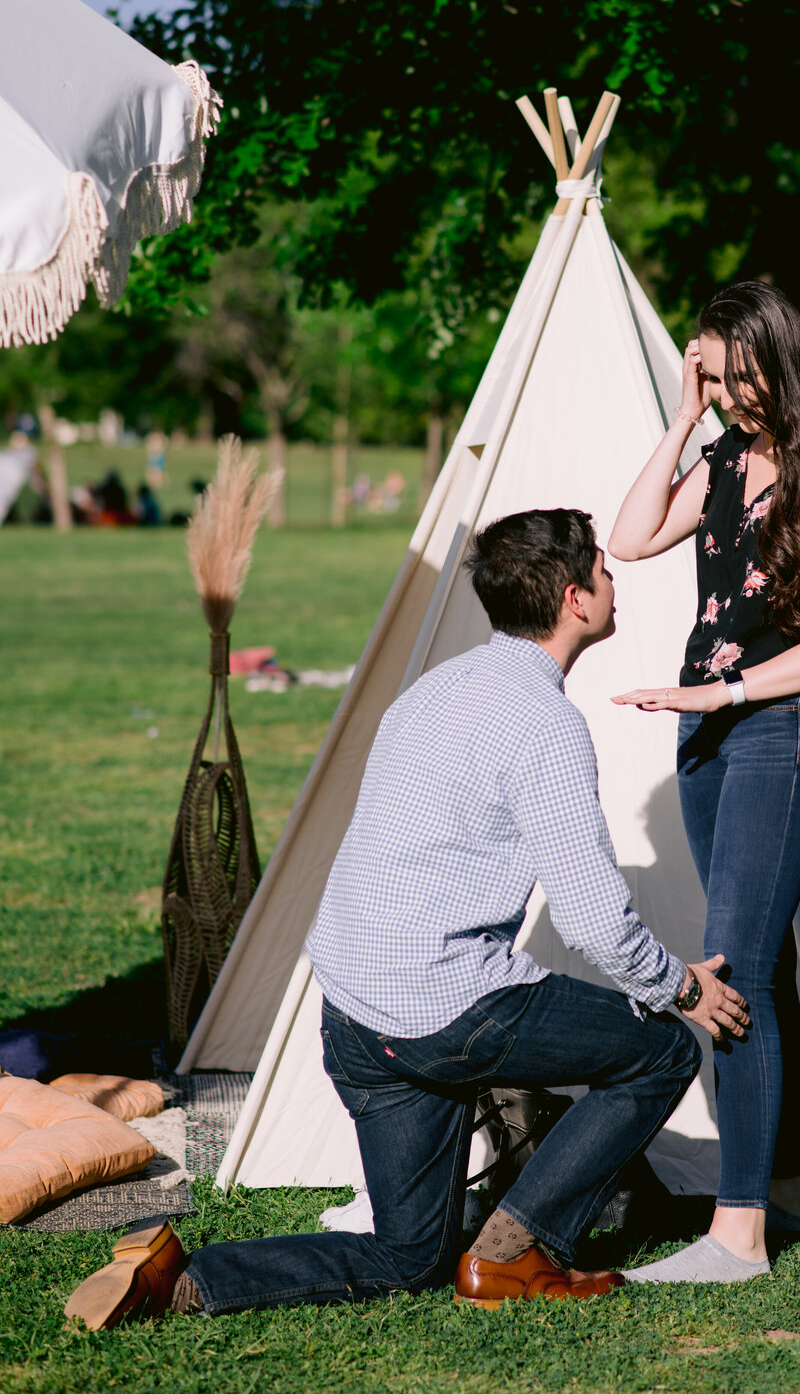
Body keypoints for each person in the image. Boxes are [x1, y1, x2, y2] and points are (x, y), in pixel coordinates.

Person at [64, 508, 747, 1330]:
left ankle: (180, 1276)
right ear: (574, 598)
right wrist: (683, 987)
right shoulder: (545, 725)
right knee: (660, 1048)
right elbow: (597, 918)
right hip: (442, 1009)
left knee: (408, 1258)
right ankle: (515, 1254)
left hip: (353, 1015)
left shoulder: (434, 688)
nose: (614, 578)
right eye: (603, 567)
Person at [607, 282, 800, 1284]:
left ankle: (738, 1238)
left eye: (737, 379)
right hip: (710, 731)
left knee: (730, 971)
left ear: (781, 357)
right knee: (760, 967)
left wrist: (723, 691)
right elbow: (629, 537)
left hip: (786, 723)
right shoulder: (721, 451)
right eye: (712, 381)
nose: (728, 397)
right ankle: (778, 1193)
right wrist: (681, 418)